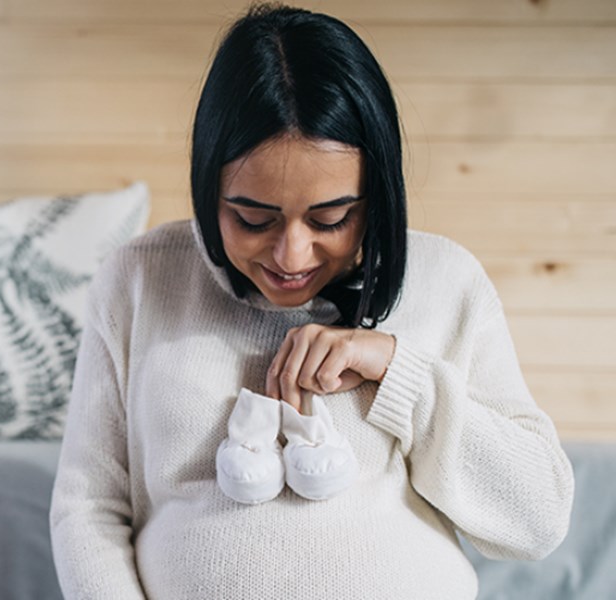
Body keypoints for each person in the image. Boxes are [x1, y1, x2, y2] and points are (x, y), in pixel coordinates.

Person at [47, 4, 575, 599]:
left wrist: (399, 374)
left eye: (331, 218)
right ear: (206, 188)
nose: (292, 256)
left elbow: (539, 519)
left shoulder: (448, 282)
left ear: (376, 198)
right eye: (253, 218)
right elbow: (87, 509)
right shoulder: (140, 278)